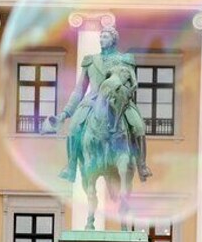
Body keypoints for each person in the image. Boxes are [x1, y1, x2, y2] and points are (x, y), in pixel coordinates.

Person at [54, 25, 152, 184]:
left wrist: (122, 94)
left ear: (113, 40)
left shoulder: (124, 60)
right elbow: (79, 90)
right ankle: (70, 167)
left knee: (139, 127)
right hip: (92, 101)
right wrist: (65, 113)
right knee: (73, 128)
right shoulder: (90, 60)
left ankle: (142, 166)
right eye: (101, 36)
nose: (101, 39)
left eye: (105, 37)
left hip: (120, 102)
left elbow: (131, 83)